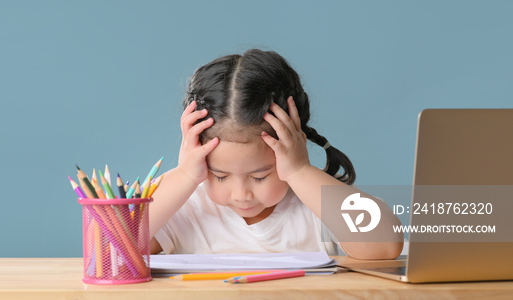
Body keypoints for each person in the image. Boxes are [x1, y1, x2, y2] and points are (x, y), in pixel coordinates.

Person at [149, 49, 403, 259]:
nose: (241, 194)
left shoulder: (315, 202)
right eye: (220, 176)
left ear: (293, 146)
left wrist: (300, 171)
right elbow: (114, 249)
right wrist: (184, 175)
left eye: (259, 176)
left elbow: (385, 247)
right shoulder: (187, 207)